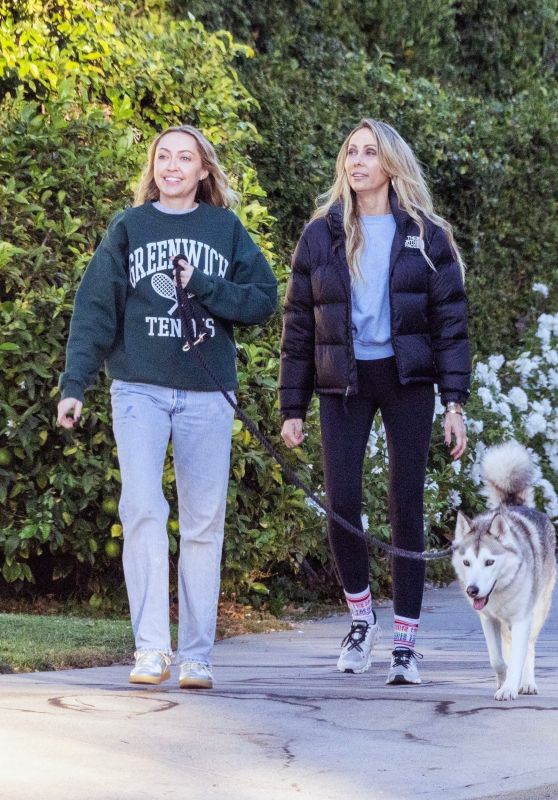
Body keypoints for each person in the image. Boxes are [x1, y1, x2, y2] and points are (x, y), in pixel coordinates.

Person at [57, 124, 277, 689]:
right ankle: (152, 648)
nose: (172, 166)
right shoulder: (129, 228)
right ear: (153, 168)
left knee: (204, 523)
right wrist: (75, 384)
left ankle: (197, 655)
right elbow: (95, 310)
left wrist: (202, 285)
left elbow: (262, 300)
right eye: (163, 157)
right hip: (139, 390)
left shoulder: (225, 229)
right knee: (142, 509)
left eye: (186, 158)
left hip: (207, 396)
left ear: (205, 170)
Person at [279, 119, 470, 685]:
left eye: (368, 152)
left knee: (405, 506)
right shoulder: (322, 234)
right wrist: (292, 407)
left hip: (407, 380)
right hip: (344, 380)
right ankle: (362, 620)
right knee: (341, 504)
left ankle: (406, 643)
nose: (356, 161)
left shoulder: (427, 236)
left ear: (390, 164)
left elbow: (451, 326)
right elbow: (298, 328)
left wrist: (454, 403)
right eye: (350, 153)